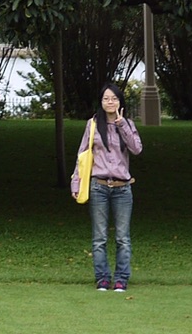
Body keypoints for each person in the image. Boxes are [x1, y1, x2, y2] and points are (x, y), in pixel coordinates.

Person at [69, 80, 142, 290]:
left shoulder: (127, 124)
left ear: (120, 101)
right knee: (99, 237)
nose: (110, 102)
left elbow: (136, 149)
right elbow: (82, 155)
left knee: (122, 238)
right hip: (99, 185)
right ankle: (102, 278)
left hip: (123, 188)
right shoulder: (92, 125)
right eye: (106, 98)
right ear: (101, 102)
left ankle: (121, 279)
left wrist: (121, 124)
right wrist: (76, 183)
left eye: (114, 98)